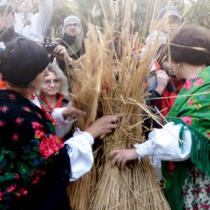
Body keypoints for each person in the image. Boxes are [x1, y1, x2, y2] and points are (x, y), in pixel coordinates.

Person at [0, 37, 120, 210]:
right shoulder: (17, 115)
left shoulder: (18, 96)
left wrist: (63, 114)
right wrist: (91, 133)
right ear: (28, 75)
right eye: (42, 71)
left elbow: (36, 136)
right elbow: (55, 162)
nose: (46, 74)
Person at [109, 24, 210, 210]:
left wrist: (138, 150)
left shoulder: (203, 88)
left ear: (177, 59)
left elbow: (183, 140)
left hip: (202, 183)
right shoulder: (200, 83)